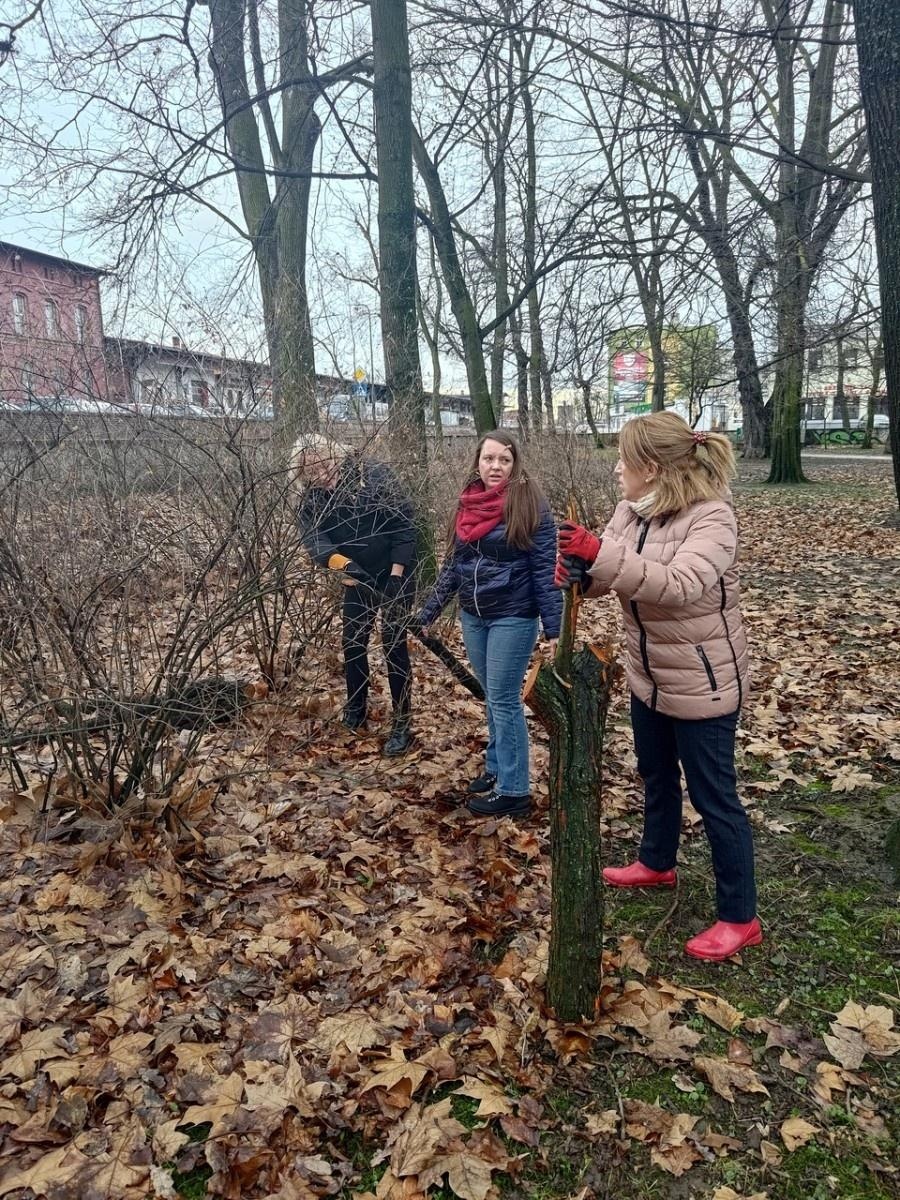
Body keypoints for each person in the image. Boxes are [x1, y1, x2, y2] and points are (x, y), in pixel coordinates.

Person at [555, 411, 759, 963]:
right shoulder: (632, 510)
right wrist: (582, 572)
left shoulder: (712, 519)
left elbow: (678, 584)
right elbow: (617, 573)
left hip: (703, 683)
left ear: (651, 467)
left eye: (624, 458)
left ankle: (740, 915)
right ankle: (657, 861)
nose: (617, 468)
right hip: (648, 676)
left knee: (715, 798)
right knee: (655, 773)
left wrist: (600, 554)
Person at [416, 431, 561, 818]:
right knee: (491, 696)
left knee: (502, 698)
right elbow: (454, 566)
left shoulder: (531, 505)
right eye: (489, 458)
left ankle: (515, 790)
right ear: (477, 461)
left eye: (504, 460)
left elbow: (546, 572)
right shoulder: (468, 503)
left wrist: (554, 629)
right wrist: (429, 612)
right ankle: (497, 768)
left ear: (516, 464)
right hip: (473, 615)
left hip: (513, 615)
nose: (495, 466)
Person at [293, 434, 417, 757]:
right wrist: (344, 566)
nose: (320, 470)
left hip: (395, 568)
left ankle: (402, 722)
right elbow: (316, 544)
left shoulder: (371, 474)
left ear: (333, 451)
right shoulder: (311, 502)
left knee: (393, 642)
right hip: (356, 576)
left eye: (322, 460)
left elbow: (404, 523)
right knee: (353, 641)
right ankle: (356, 711)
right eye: (310, 468)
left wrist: (395, 575)